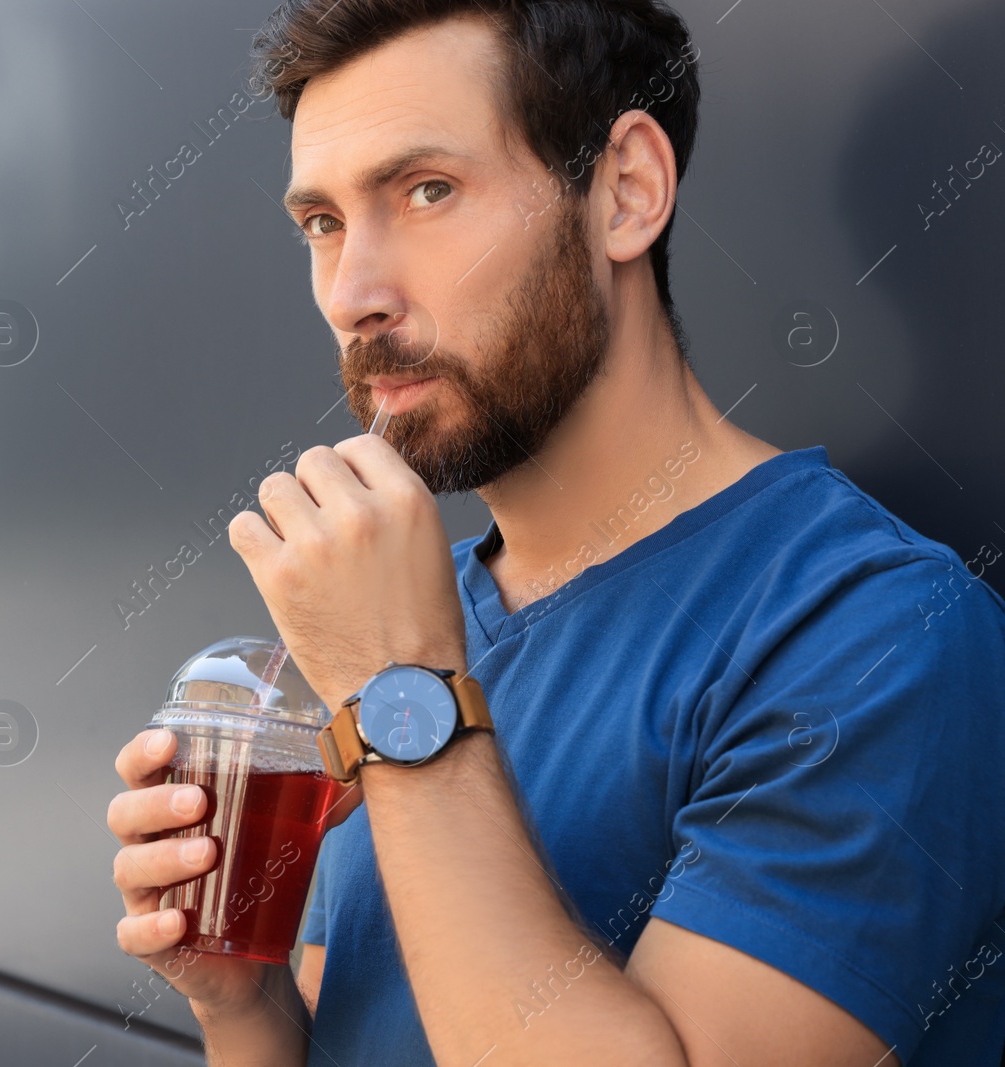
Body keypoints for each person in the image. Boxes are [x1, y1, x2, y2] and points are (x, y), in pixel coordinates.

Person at [105, 1, 1005, 1063]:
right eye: (323, 223)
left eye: (426, 190)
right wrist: (244, 1007)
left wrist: (406, 696)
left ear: (624, 191)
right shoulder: (404, 624)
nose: (354, 293)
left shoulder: (872, 631)